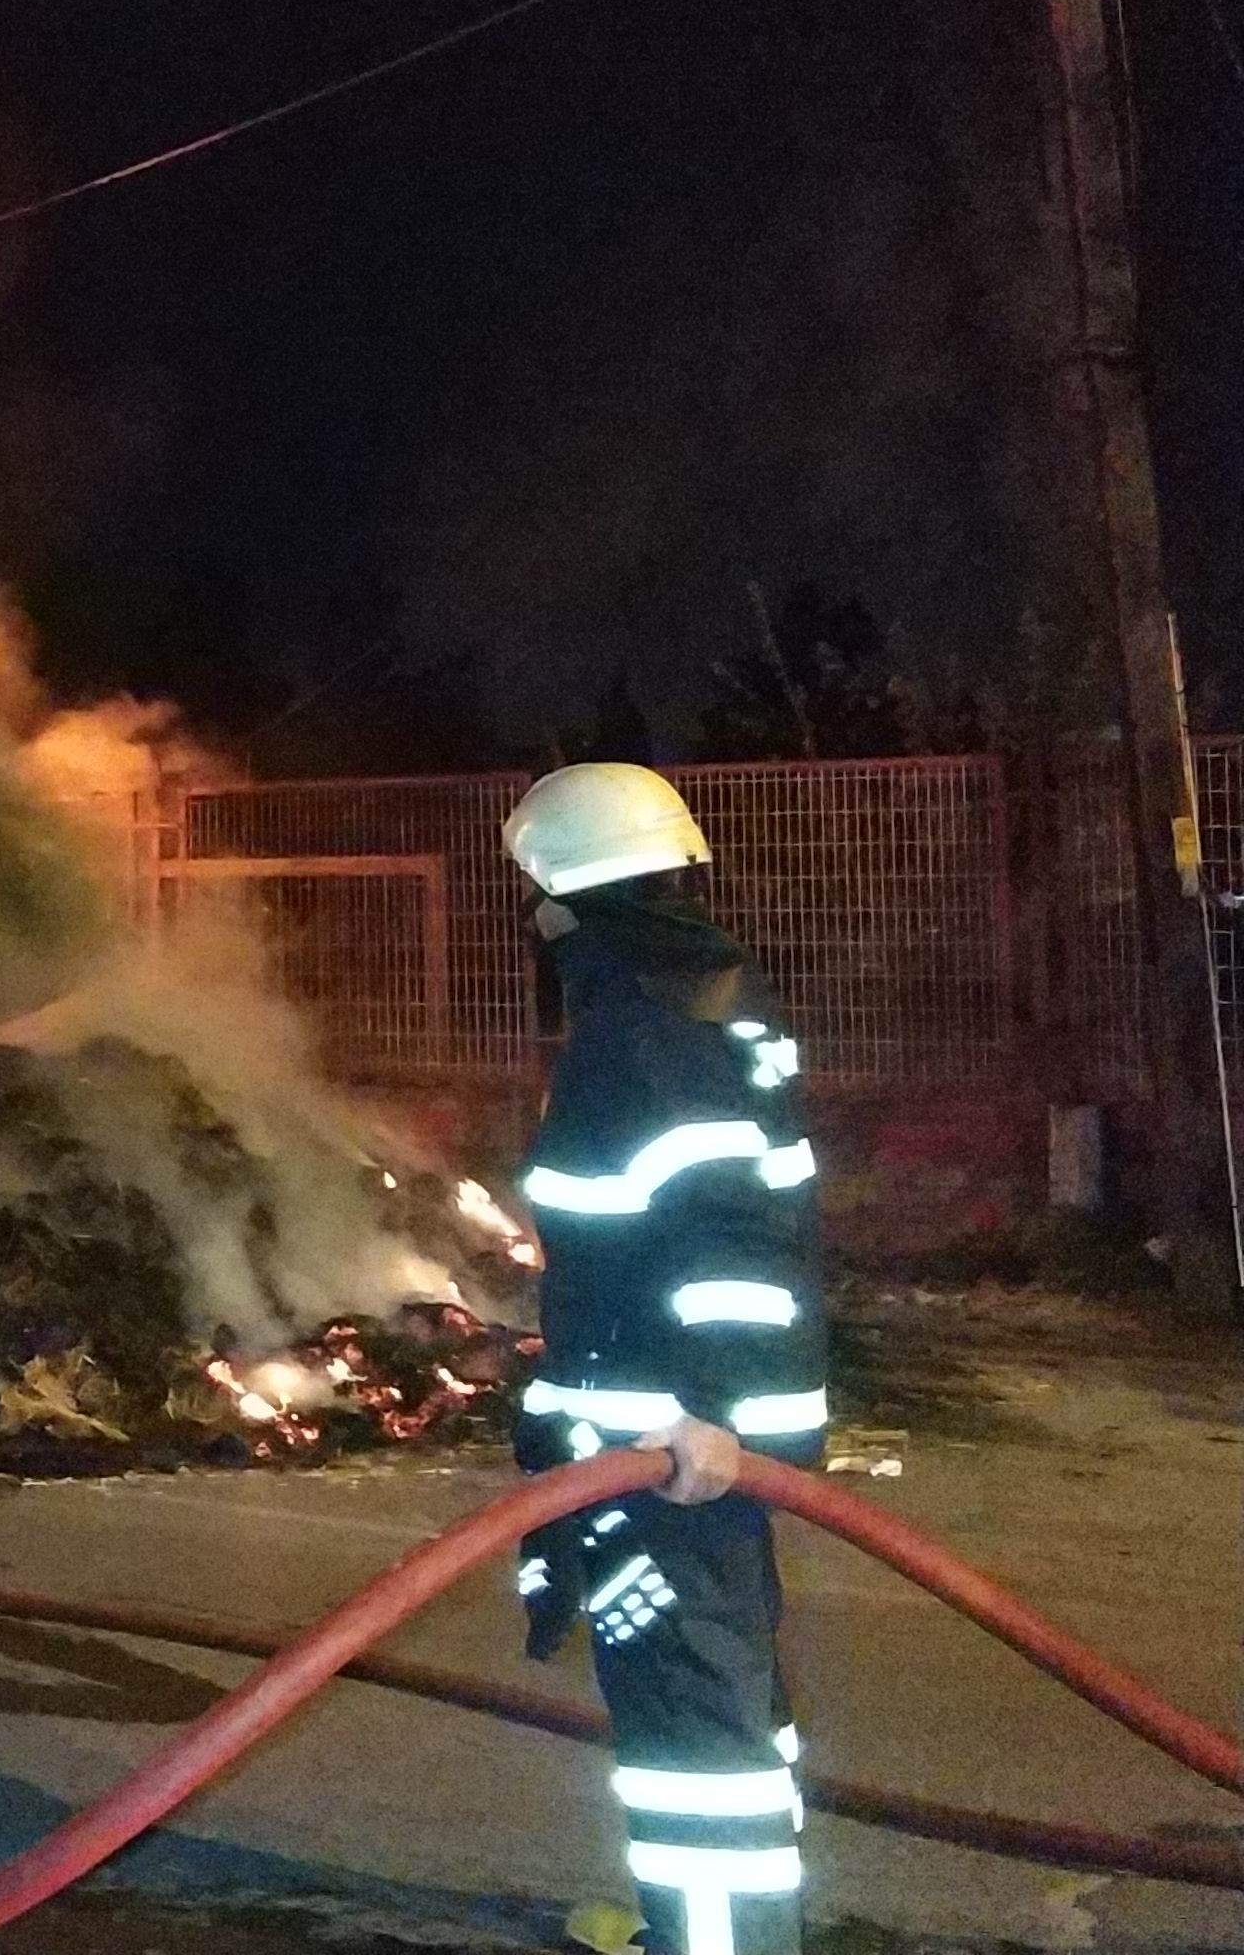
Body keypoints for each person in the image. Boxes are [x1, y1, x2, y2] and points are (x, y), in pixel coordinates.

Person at [504, 764, 829, 1955]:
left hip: (662, 1453)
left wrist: (712, 1415)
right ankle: (720, 1932)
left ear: (557, 894)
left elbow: (729, 1236)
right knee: (723, 1708)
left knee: (696, 1744)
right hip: (670, 1445)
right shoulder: (702, 999)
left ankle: (714, 1944)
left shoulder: (645, 1029)